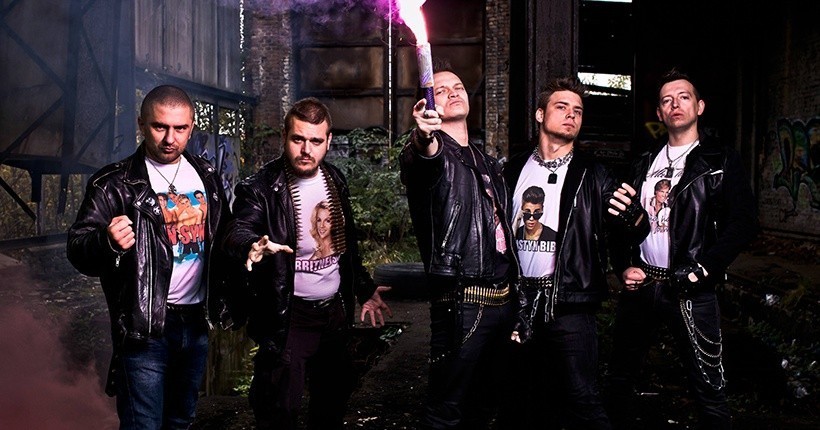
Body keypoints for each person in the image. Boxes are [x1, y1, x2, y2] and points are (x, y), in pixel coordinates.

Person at [221, 97, 392, 430]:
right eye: (298, 139)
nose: (306, 150)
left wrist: (364, 288)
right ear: (285, 137)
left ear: (328, 141)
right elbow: (238, 228)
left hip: (334, 315)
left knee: (331, 405)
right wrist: (251, 245)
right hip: (290, 316)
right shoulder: (261, 188)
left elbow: (345, 246)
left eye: (315, 141)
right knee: (278, 410)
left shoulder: (334, 179)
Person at [67, 85, 232, 429]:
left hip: (196, 321)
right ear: (141, 124)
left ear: (191, 127)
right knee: (143, 425)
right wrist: (107, 241)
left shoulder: (207, 175)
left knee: (180, 421)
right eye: (160, 127)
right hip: (144, 326)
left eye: (180, 128)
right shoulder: (113, 184)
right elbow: (78, 248)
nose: (170, 139)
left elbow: (225, 234)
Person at [606, 69, 758, 429]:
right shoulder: (643, 162)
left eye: (684, 97)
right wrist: (623, 265)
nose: (675, 104)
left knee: (708, 387)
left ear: (699, 106)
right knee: (619, 379)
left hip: (692, 288)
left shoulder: (720, 161)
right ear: (660, 113)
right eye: (667, 100)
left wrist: (707, 267)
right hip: (643, 285)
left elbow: (744, 223)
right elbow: (619, 221)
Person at [502, 77, 648, 429]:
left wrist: (635, 217)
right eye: (562, 107)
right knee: (520, 400)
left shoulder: (595, 174)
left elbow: (634, 228)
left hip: (571, 301)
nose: (571, 115)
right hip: (517, 301)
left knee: (583, 399)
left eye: (578, 111)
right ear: (540, 114)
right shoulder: (512, 169)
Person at [399, 59, 519, 429]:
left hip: (503, 300)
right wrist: (424, 136)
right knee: (445, 410)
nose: (453, 93)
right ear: (428, 104)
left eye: (458, 88)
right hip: (461, 302)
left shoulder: (486, 161)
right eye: (442, 90)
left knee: (486, 406)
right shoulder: (433, 154)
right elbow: (424, 157)